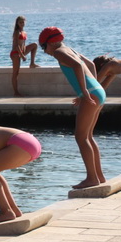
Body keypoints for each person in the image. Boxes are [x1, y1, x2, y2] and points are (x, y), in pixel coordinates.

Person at [39, 27, 106, 189]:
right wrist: (89, 88)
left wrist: (84, 91)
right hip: (98, 90)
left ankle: (92, 178)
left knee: (81, 137)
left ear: (51, 43)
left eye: (43, 47)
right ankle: (99, 176)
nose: (45, 51)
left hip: (91, 92)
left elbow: (77, 66)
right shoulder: (70, 49)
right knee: (88, 136)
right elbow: (90, 64)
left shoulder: (59, 52)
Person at [10, 16, 39, 97]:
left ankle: (32, 63)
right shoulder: (16, 32)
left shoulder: (24, 32)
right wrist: (22, 56)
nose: (22, 24)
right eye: (20, 22)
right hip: (16, 53)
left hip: (22, 51)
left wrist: (23, 52)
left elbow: (23, 44)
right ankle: (16, 92)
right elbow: (16, 46)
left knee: (35, 45)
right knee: (16, 72)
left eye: (23, 22)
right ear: (17, 23)